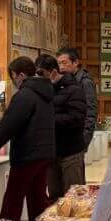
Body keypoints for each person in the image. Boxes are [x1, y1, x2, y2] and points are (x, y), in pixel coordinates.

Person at [0, 57, 55, 221]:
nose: (13, 82)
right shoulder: (46, 92)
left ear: (21, 75)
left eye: (13, 77)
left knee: (13, 200)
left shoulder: (25, 95)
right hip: (44, 153)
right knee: (37, 198)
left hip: (27, 155)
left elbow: (7, 126)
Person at [38, 53, 87, 201]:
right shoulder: (46, 90)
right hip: (52, 153)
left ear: (53, 72)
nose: (40, 78)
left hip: (71, 152)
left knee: (74, 199)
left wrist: (48, 120)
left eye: (42, 74)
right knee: (54, 197)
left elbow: (77, 118)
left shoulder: (74, 89)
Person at [56, 46, 97, 153]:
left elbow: (91, 113)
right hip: (66, 140)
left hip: (79, 140)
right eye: (59, 63)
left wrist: (84, 140)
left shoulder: (85, 82)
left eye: (64, 63)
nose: (61, 67)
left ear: (75, 62)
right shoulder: (64, 81)